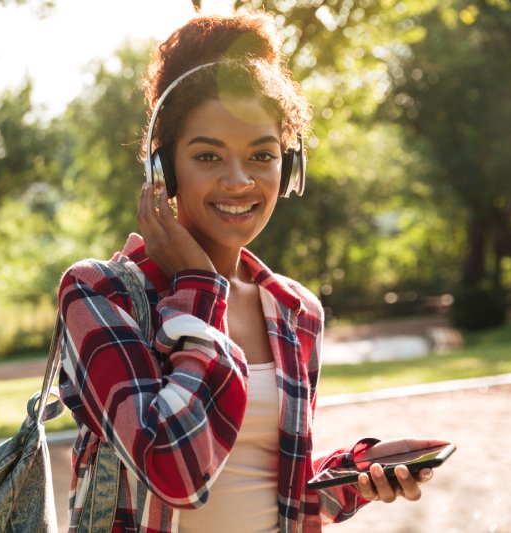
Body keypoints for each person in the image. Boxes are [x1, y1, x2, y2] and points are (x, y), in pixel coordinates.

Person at [57, 11, 444, 533]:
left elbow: (274, 485)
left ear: (289, 167)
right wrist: (198, 290)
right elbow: (175, 468)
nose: (240, 181)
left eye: (262, 155)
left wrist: (356, 472)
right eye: (209, 156)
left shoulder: (296, 311)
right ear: (163, 171)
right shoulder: (99, 293)